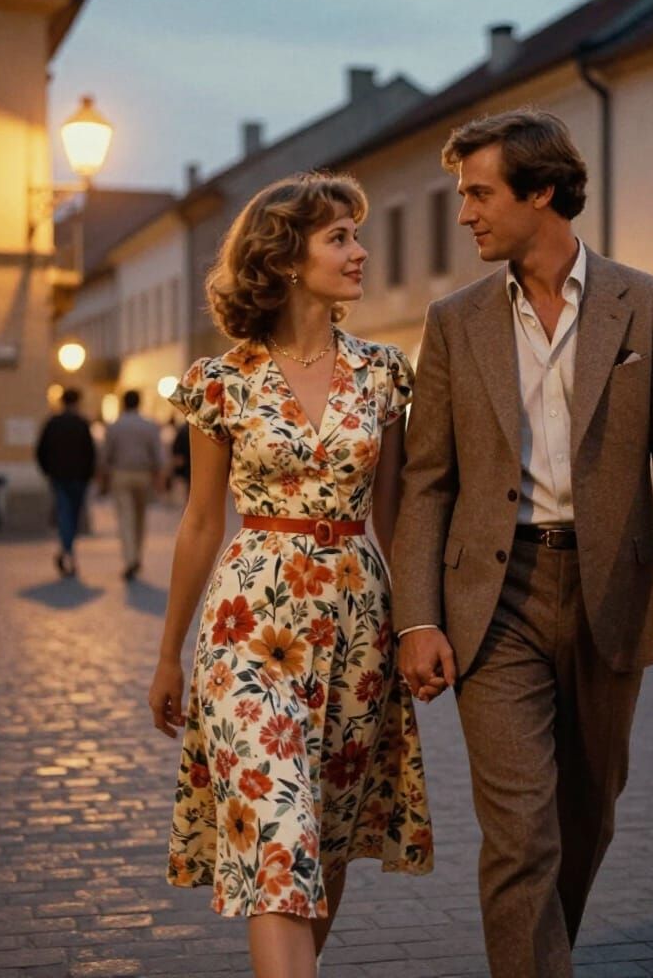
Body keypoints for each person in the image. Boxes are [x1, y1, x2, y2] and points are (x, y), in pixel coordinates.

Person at [391, 109, 653, 978]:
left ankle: (543, 953)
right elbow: (427, 481)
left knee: (586, 815)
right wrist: (415, 618)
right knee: (519, 832)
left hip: (611, 590)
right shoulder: (454, 320)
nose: (464, 213)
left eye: (478, 193)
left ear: (542, 192)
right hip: (492, 599)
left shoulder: (648, 305)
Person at [147, 172, 432, 978]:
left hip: (357, 627)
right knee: (280, 835)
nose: (359, 250)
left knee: (326, 837)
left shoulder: (382, 374)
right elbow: (201, 522)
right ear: (286, 256)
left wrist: (419, 627)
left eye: (356, 233)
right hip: (250, 625)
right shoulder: (221, 381)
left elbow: (395, 517)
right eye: (339, 236)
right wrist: (169, 653)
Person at [101, 390, 164, 581]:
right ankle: (137, 556)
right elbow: (159, 456)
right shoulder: (150, 426)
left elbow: (105, 455)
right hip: (143, 474)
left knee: (125, 519)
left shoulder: (115, 426)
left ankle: (130, 559)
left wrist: (103, 476)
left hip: (121, 474)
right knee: (140, 518)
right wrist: (159, 477)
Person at [35, 388, 96, 578]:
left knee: (64, 513)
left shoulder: (52, 423)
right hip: (78, 477)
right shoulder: (82, 423)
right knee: (73, 515)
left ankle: (66, 550)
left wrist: (48, 471)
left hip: (59, 476)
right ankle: (68, 551)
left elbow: (41, 450)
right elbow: (90, 452)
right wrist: (89, 474)